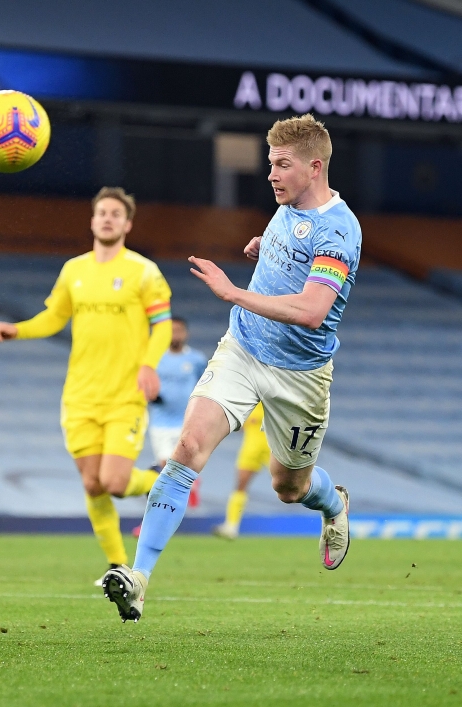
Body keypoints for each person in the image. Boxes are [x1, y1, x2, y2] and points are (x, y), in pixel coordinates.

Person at [103, 114, 358, 623]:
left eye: (282, 165)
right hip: (242, 348)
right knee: (187, 449)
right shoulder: (287, 207)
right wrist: (267, 250)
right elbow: (293, 250)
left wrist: (234, 291)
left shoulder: (340, 230)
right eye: (270, 164)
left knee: (289, 487)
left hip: (299, 375)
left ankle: (334, 507)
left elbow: (311, 310)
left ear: (315, 167)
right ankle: (139, 577)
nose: (271, 174)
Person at [0, 187, 172, 582]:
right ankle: (118, 564)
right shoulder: (74, 270)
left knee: (115, 481)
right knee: (92, 484)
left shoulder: (144, 271)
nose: (107, 218)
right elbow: (53, 317)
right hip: (79, 397)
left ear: (127, 224)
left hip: (124, 396)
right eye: (101, 212)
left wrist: (149, 365)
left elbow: (163, 325)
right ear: (92, 221)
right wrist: (17, 330)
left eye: (115, 214)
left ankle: (158, 479)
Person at [147, 317, 206, 469]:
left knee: (185, 467)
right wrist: (151, 395)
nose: (176, 335)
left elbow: (205, 384)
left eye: (179, 331)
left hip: (188, 423)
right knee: (167, 465)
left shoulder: (197, 359)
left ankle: (190, 491)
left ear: (186, 334)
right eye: (172, 331)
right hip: (161, 423)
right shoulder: (154, 358)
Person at [213, 402, 271, 539]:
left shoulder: (274, 391)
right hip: (251, 445)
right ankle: (231, 526)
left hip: (272, 445)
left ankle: (324, 515)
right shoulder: (250, 395)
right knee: (241, 484)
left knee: (290, 486)